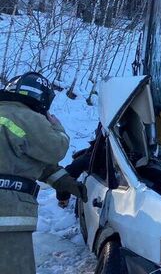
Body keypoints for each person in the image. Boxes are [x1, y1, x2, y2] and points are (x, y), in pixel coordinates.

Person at [0, 72, 86, 274]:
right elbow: (56, 148)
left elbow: (30, 162)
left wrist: (65, 182)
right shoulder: (26, 116)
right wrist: (58, 128)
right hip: (7, 214)